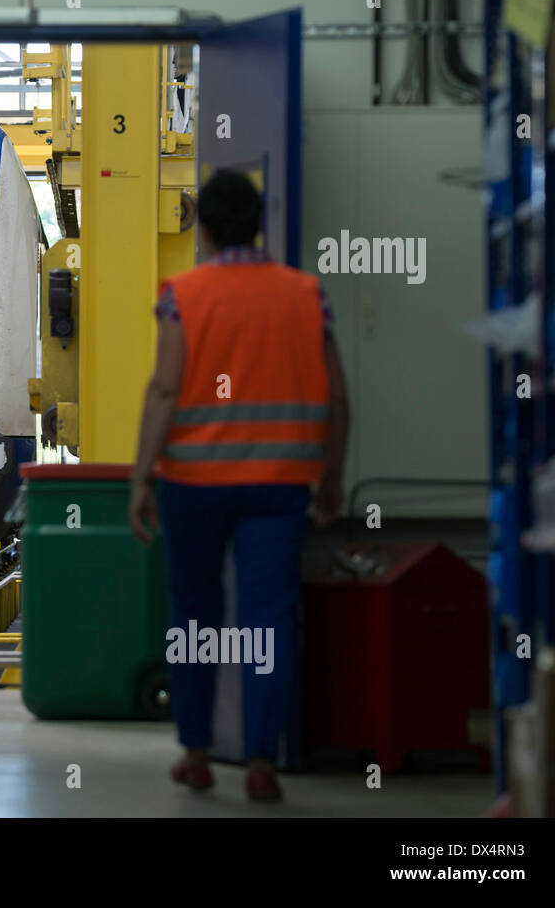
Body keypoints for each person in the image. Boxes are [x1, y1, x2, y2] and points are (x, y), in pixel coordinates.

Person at [128, 170, 350, 802]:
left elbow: (166, 388)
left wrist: (142, 477)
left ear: (205, 229)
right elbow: (336, 393)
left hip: (194, 484)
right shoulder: (306, 295)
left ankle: (197, 752)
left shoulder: (184, 295)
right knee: (270, 617)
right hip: (281, 484)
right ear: (259, 224)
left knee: (196, 613)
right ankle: (260, 760)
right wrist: (332, 475)